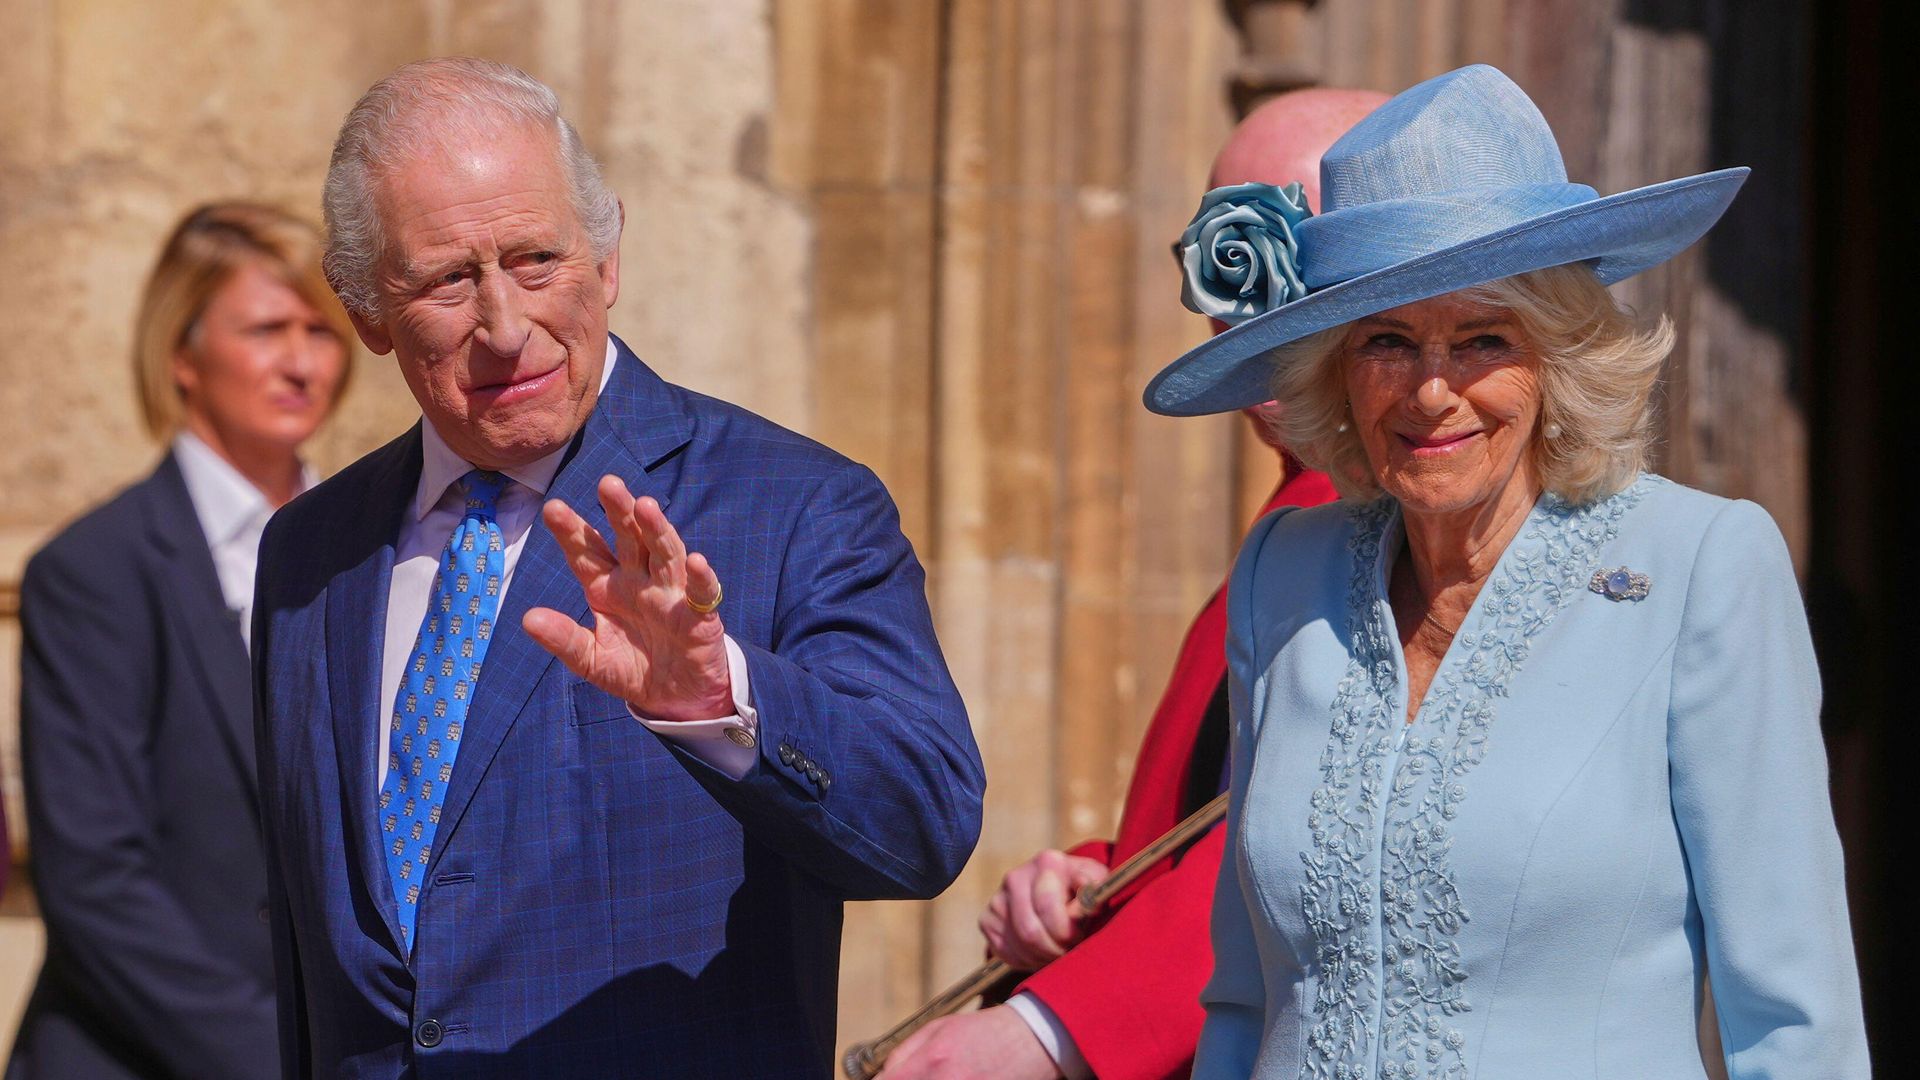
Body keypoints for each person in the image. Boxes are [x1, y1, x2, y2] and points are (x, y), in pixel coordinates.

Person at [250, 57, 984, 1078]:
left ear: (608, 260)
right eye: (450, 280)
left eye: (537, 259)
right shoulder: (312, 549)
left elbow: (922, 826)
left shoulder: (796, 506)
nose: (506, 328)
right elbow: (315, 951)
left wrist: (717, 699)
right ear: (369, 310)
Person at [1139, 65, 1871, 1077]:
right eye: (1386, 341)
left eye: (1484, 338)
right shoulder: (1282, 574)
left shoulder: (1702, 567)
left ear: (1561, 354)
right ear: (1335, 373)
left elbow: (1798, 1026)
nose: (1431, 391)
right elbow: (1241, 1002)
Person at [877, 88, 1384, 1080]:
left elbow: (1337, 832)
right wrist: (1104, 880)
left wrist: (1053, 1030)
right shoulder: (1298, 522)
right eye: (1245, 263)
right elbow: (1231, 815)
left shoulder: (1413, 524)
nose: (1272, 314)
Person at [9, 202, 352, 1080]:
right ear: (182, 355)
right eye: (268, 328)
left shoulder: (377, 549)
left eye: (321, 328)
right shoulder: (95, 570)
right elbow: (95, 881)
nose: (302, 360)